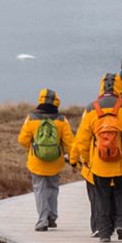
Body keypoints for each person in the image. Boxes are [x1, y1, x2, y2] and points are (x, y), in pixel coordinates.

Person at [74, 73, 122, 242]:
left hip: (99, 163)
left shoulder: (91, 109)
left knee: (101, 197)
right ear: (119, 86)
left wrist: (85, 160)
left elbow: (82, 140)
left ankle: (104, 233)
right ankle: (121, 225)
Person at [16, 88, 76, 232]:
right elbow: (70, 143)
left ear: (40, 99)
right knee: (53, 188)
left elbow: (23, 141)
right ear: (56, 101)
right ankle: (52, 217)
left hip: (37, 161)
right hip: (55, 162)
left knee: (40, 189)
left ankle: (42, 220)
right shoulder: (61, 120)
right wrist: (74, 160)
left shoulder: (31, 118)